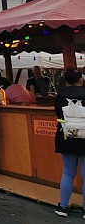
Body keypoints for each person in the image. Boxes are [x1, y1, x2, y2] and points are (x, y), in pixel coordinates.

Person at [54, 68, 85, 217]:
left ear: (66, 80)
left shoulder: (60, 95)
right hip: (84, 137)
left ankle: (63, 207)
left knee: (67, 172)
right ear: (80, 79)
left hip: (66, 136)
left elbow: (58, 114)